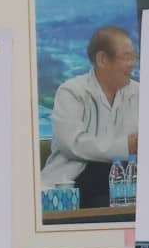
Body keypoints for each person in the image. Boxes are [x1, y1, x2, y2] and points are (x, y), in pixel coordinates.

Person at [43, 25, 139, 215]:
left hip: (127, 187)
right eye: (126, 57)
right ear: (102, 59)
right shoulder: (71, 92)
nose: (132, 64)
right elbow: (72, 144)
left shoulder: (140, 93)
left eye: (134, 57)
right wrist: (126, 147)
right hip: (76, 185)